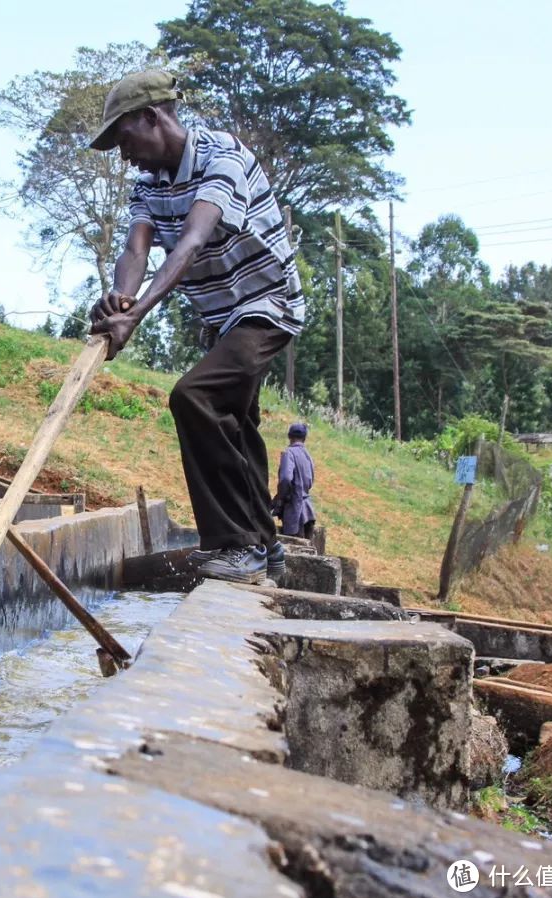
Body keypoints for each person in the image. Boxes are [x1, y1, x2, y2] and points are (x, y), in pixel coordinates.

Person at [88, 70, 304, 584]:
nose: (125, 155)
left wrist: (136, 318)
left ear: (152, 116)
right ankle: (265, 546)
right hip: (221, 319)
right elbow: (136, 250)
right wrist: (121, 299)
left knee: (195, 397)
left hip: (265, 306)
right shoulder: (148, 186)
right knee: (235, 421)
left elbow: (191, 241)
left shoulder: (221, 156)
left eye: (125, 139)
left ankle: (235, 547)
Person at [271, 423, 317, 540]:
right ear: (304, 438)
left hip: (295, 513)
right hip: (308, 512)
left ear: (289, 436)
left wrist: (281, 497)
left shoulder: (289, 453)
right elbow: (310, 481)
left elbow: (286, 479)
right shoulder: (308, 456)